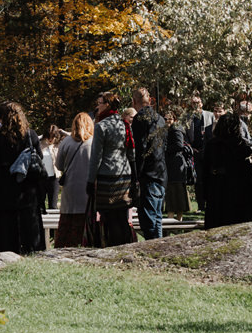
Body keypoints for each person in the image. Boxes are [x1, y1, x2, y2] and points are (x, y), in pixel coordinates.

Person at [0, 102, 44, 255]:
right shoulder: (31, 135)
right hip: (27, 188)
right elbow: (39, 158)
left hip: (6, 189)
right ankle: (31, 248)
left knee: (8, 227)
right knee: (28, 225)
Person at [86, 91, 135, 247]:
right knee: (122, 214)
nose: (97, 107)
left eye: (99, 103)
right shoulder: (124, 124)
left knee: (109, 215)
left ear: (107, 105)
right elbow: (131, 151)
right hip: (124, 174)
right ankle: (127, 245)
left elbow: (96, 157)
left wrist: (90, 180)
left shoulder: (101, 126)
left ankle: (114, 246)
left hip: (107, 176)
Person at [206, 99, 252, 227]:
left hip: (218, 192)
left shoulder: (212, 145)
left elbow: (205, 170)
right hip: (239, 196)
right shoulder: (243, 147)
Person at [130, 88, 167, 239]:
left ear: (134, 102)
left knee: (149, 221)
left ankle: (153, 252)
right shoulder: (160, 118)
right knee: (157, 219)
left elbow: (141, 149)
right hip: (161, 172)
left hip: (148, 174)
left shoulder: (140, 119)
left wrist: (136, 175)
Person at [54, 112, 93, 247]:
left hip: (70, 188)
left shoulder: (66, 141)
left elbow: (58, 165)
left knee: (67, 223)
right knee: (84, 221)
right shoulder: (93, 142)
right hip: (87, 189)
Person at [164, 109, 193, 220]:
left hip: (176, 166)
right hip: (171, 165)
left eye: (170, 118)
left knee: (177, 192)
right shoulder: (167, 130)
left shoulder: (176, 130)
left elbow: (178, 146)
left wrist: (165, 149)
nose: (167, 121)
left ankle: (177, 220)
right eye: (165, 119)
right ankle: (173, 219)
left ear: (174, 119)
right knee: (172, 193)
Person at [39, 123, 65, 211]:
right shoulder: (39, 144)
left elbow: (74, 137)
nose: (51, 139)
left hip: (54, 178)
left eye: (53, 136)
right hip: (41, 178)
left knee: (53, 206)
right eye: (49, 136)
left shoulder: (59, 145)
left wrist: (63, 132)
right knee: (40, 204)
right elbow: (31, 139)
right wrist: (42, 136)